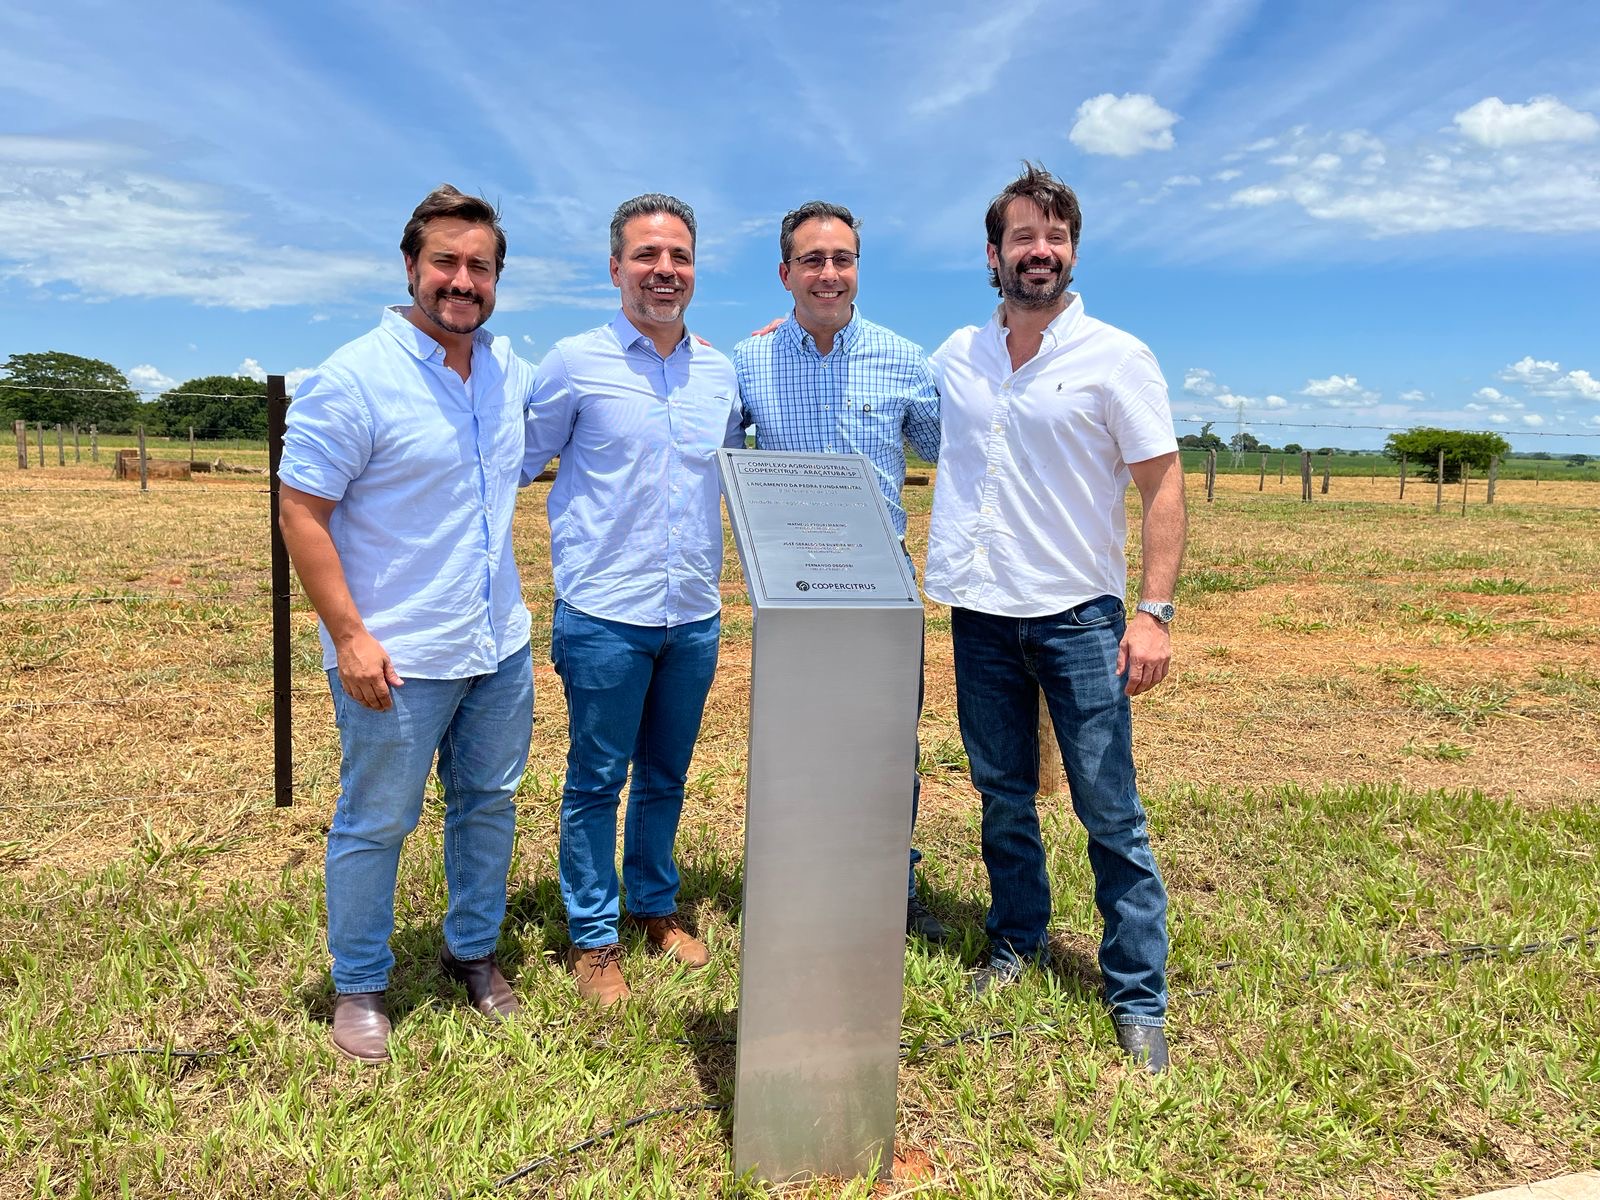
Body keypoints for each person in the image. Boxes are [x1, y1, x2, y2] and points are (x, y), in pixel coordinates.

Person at [925, 163, 1187, 1073]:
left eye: (1056, 237)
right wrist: (792, 333)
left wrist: (1152, 612)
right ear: (993, 254)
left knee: (1108, 808)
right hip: (980, 612)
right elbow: (876, 387)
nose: (1040, 252)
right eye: (1024, 237)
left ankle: (1137, 994)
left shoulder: (1117, 356)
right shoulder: (957, 355)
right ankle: (1016, 940)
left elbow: (1162, 485)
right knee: (1002, 794)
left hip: (1080, 618)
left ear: (1072, 251)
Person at [278, 185, 534, 1063]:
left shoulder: (506, 369)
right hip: (395, 652)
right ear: (410, 267)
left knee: (488, 805)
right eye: (446, 263)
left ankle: (473, 953)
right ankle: (359, 983)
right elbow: (301, 511)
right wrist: (349, 636)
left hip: (497, 643)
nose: (462, 281)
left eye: (480, 267)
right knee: (377, 820)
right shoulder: (355, 377)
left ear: (497, 278)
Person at [523, 193, 743, 1007]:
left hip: (692, 613)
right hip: (604, 613)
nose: (664, 270)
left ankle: (653, 905)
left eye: (679, 256)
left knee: (666, 775)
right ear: (616, 266)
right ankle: (593, 935)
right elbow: (517, 460)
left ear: (695, 269)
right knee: (594, 779)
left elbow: (738, 468)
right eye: (647, 255)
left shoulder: (719, 372)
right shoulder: (572, 363)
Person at [731, 200, 945, 941]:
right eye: (813, 260)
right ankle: (794, 885)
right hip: (789, 594)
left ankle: (889, 888)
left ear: (858, 269)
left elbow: (953, 451)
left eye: (842, 259)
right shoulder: (747, 362)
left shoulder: (905, 360)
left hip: (883, 592)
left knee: (886, 749)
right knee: (793, 746)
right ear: (785, 272)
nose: (829, 273)